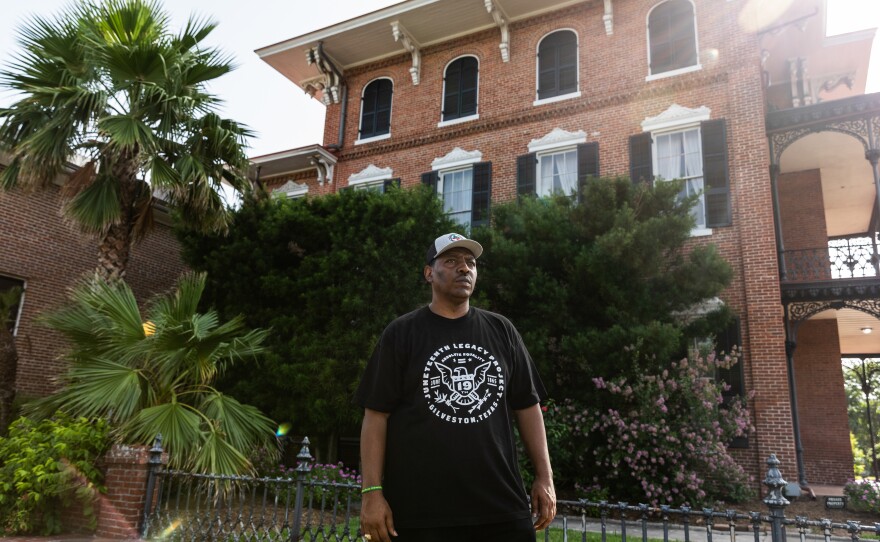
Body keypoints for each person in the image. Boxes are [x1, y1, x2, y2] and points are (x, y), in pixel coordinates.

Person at [355, 232, 556, 542]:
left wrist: (545, 477)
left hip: (501, 508)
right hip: (419, 513)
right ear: (428, 273)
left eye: (470, 263)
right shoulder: (401, 333)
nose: (464, 268)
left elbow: (528, 407)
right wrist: (371, 492)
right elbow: (376, 415)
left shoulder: (502, 330)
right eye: (451, 261)